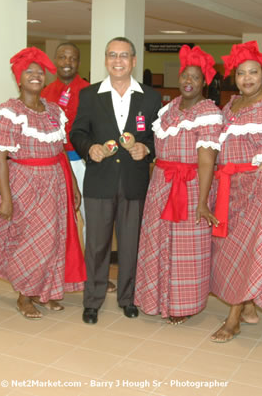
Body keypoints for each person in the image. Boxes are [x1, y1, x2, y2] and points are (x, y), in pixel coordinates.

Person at [0, 47, 85, 319]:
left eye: (39, 73)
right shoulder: (9, 112)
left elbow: (62, 151)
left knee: (53, 240)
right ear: (19, 79)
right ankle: (24, 296)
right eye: (29, 73)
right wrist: (6, 198)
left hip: (55, 183)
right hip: (25, 184)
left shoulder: (54, 111)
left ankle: (46, 292)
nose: (35, 77)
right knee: (28, 241)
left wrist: (73, 186)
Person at [70, 37, 161, 324]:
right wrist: (89, 148)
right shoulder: (89, 94)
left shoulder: (150, 97)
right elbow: (78, 132)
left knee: (130, 245)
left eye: (124, 55)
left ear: (134, 61)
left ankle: (128, 297)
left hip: (134, 183)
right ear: (105, 60)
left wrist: (146, 148)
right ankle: (92, 300)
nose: (118, 60)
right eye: (112, 55)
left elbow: (158, 137)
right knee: (96, 245)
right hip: (99, 181)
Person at [134, 45, 222, 325]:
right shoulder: (168, 109)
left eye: (195, 77)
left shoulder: (208, 111)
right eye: (185, 75)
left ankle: (182, 303)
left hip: (192, 186)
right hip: (161, 184)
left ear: (204, 82)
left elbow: (207, 160)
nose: (188, 81)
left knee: (186, 248)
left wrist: (203, 201)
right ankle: (155, 297)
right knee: (157, 242)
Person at [209, 42, 262, 342]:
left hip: (255, 187)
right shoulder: (230, 105)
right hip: (228, 188)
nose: (247, 79)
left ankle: (233, 319)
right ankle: (249, 304)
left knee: (248, 250)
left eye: (253, 72)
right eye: (241, 73)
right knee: (232, 250)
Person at [41, 42, 117, 294]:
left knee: (94, 219)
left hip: (85, 162)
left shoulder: (92, 91)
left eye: (72, 58)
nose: (67, 62)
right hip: (53, 164)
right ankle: (58, 273)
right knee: (55, 220)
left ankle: (95, 274)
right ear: (54, 60)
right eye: (62, 56)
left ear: (79, 63)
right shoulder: (44, 92)